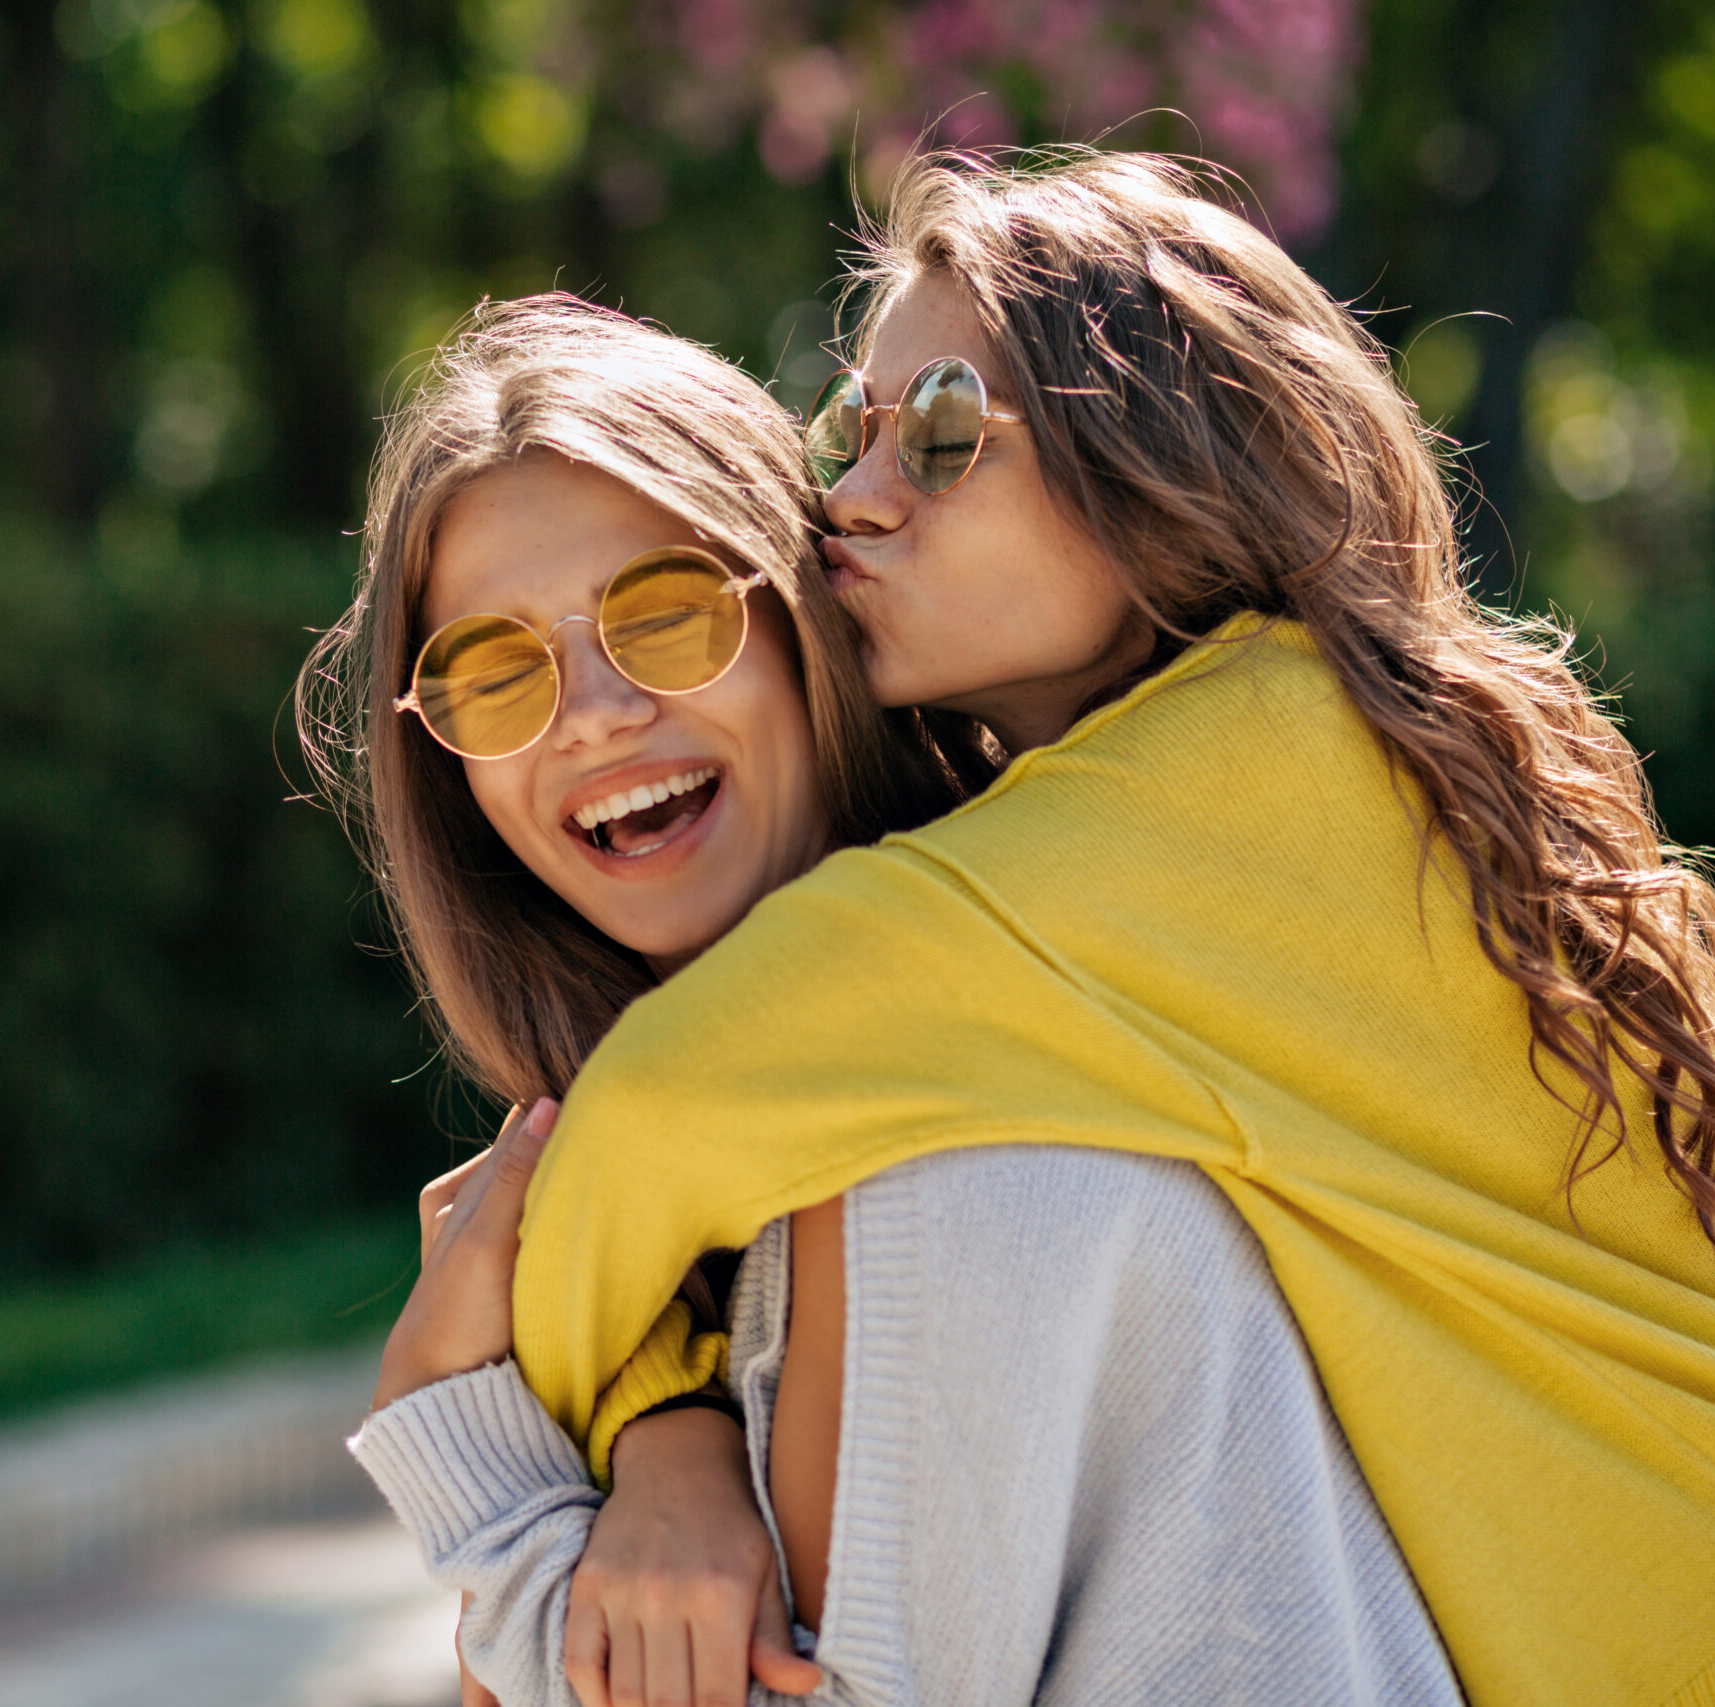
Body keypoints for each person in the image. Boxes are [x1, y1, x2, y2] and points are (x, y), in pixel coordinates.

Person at [498, 151, 1715, 1707]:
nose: (851, 497)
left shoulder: (1177, 814)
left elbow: (657, 1112)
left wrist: (606, 1414)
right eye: (854, 429)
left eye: (947, 435)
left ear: (1159, 455)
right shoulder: (1326, 734)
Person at [299, 292, 1464, 1706]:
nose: (596, 712)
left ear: (806, 610)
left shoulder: (943, 1132)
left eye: (667, 610)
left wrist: (468, 1455)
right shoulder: (695, 1206)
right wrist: (656, 1421)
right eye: (494, 676)